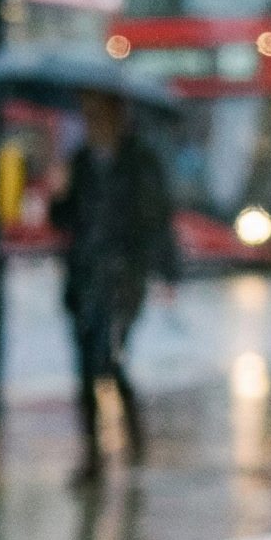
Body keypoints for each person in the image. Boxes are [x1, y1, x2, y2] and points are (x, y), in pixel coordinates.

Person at [53, 87, 179, 480]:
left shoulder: (140, 161)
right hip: (84, 278)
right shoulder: (79, 162)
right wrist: (57, 195)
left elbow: (157, 218)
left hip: (125, 277)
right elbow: (64, 220)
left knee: (109, 360)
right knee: (86, 364)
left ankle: (132, 436)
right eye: (86, 115)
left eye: (97, 114)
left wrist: (167, 271)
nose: (91, 123)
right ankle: (93, 454)